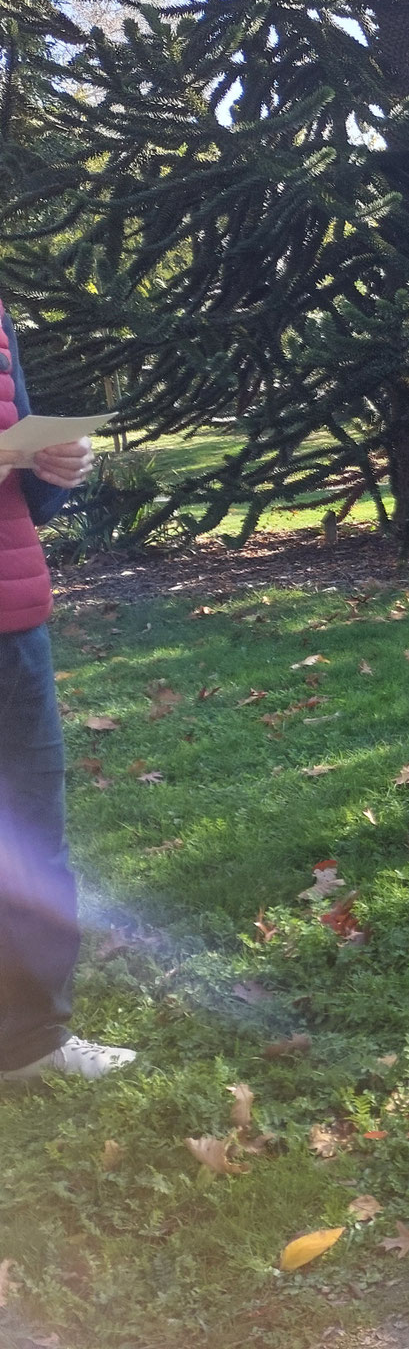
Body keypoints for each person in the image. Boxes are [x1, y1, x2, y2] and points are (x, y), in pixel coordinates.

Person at [0, 296, 133, 1081]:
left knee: (35, 841)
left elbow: (30, 497)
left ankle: (32, 1044)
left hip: (17, 622)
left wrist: (59, 472)